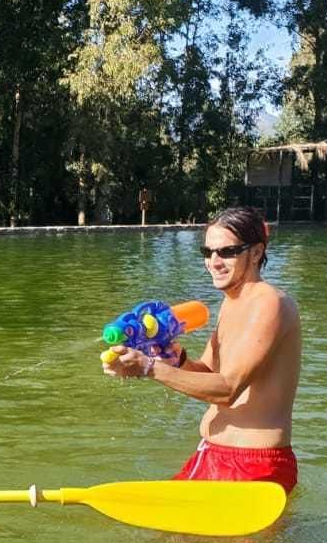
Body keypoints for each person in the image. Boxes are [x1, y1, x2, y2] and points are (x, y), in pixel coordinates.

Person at [103, 206, 301, 493]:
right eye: (207, 253)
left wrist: (149, 367)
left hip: (253, 466)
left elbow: (226, 389)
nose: (214, 262)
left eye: (227, 252)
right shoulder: (231, 303)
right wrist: (171, 355)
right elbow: (206, 373)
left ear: (257, 252)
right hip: (211, 455)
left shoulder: (269, 303)